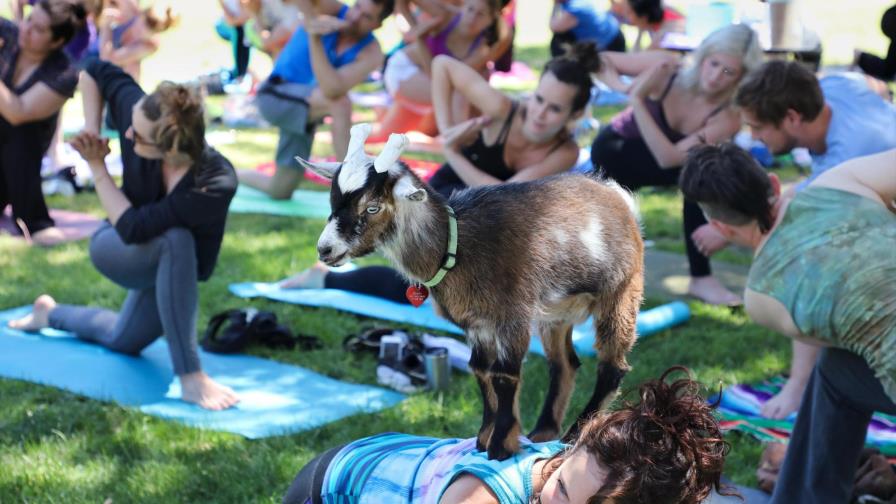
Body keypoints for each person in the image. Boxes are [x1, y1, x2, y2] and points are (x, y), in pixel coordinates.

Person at [8, 58, 240, 411]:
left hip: (156, 252)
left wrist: (98, 166)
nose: (128, 137)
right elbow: (93, 70)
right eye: (130, 128)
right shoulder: (144, 111)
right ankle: (190, 376)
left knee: (123, 339)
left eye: (139, 137)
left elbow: (136, 226)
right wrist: (91, 134)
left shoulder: (214, 182)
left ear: (173, 146)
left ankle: (49, 314)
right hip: (113, 245)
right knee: (176, 238)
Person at [280, 42, 594, 297]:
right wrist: (447, 129)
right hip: (441, 200)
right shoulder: (502, 110)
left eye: (555, 109)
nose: (539, 113)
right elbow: (443, 65)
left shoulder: (564, 151)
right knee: (421, 286)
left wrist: (453, 151)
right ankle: (324, 279)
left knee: (456, 290)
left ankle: (330, 276)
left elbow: (504, 193)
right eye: (538, 99)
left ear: (575, 114)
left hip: (486, 218)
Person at [678, 144, 896, 504]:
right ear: (776, 184)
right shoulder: (843, 180)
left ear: (719, 227)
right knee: (837, 370)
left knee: (833, 371)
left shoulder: (762, 297)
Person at [283, 367, 730, 504]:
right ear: (576, 445)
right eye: (559, 488)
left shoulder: (594, 475)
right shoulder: (484, 498)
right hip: (333, 484)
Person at [734, 60, 896, 419]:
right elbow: (877, 87)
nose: (754, 137)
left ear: (792, 117)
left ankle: (800, 384)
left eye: (759, 127)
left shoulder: (844, 165)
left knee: (807, 260)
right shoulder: (835, 85)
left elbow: (793, 223)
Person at [589, 24, 762, 306]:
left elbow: (668, 158)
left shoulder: (728, 116)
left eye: (729, 71)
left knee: (703, 175)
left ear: (742, 78)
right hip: (616, 152)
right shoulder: (667, 68)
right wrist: (625, 87)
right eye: (713, 63)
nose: (716, 76)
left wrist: (637, 101)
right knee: (607, 218)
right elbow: (601, 60)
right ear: (703, 56)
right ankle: (598, 273)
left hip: (665, 159)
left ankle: (701, 278)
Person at [237, 0, 394, 200]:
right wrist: (312, 20)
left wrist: (315, 37)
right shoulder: (334, 10)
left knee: (280, 189)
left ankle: (230, 172)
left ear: (377, 26)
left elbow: (332, 88)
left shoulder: (371, 52)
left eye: (366, 16)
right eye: (357, 8)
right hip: (274, 96)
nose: (355, 18)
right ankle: (351, 187)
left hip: (304, 108)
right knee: (341, 104)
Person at [0, 0, 87, 246]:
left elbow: (18, 112)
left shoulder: (64, 73)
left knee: (20, 129)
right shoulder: (7, 33)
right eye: (28, 19)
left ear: (57, 41)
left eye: (38, 29)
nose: (26, 29)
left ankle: (34, 221)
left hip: (13, 166)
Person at [375, 0, 505, 140]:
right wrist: (415, 29)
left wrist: (420, 39)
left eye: (480, 14)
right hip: (405, 70)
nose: (472, 18)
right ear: (463, 7)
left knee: (468, 90)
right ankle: (458, 142)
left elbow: (444, 76)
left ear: (490, 20)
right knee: (458, 92)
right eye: (470, 9)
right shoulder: (446, 15)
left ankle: (466, 137)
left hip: (429, 77)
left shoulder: (482, 48)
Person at [96, 0, 178, 82]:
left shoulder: (150, 45)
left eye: (153, 26)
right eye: (149, 20)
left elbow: (107, 60)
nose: (145, 27)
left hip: (101, 65)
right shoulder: (131, 10)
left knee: (133, 66)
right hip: (92, 43)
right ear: (143, 12)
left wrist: (106, 25)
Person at [550, 0, 624, 57]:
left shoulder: (576, 8)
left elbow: (554, 27)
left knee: (558, 38)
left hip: (611, 42)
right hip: (612, 34)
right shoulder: (574, 3)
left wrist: (555, 5)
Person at [610, 0, 684, 51]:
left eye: (629, 13)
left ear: (644, 17)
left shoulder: (667, 32)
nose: (627, 17)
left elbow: (641, 57)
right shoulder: (651, 17)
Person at [854, 4, 896, 82]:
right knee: (888, 70)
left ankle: (861, 57)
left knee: (889, 70)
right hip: (891, 21)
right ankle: (861, 57)